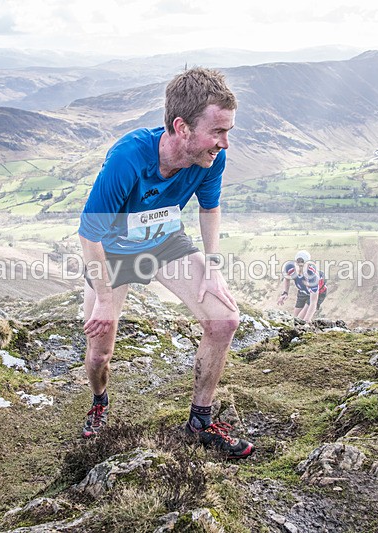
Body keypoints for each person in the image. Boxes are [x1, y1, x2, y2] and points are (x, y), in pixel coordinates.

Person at [76, 67, 254, 459]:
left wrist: (213, 265)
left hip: (165, 243)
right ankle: (99, 400)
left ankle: (200, 422)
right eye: (218, 131)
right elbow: (89, 235)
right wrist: (105, 300)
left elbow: (210, 208)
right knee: (98, 354)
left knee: (224, 319)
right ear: (182, 127)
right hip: (113, 251)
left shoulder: (210, 158)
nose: (225, 143)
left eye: (228, 131)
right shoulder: (127, 158)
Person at [277, 250, 327, 322]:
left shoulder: (312, 277)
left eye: (302, 265)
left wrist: (307, 320)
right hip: (303, 291)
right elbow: (287, 279)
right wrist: (285, 293)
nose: (300, 268)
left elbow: (313, 302)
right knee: (295, 319)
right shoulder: (289, 267)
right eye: (297, 264)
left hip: (318, 293)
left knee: (301, 319)